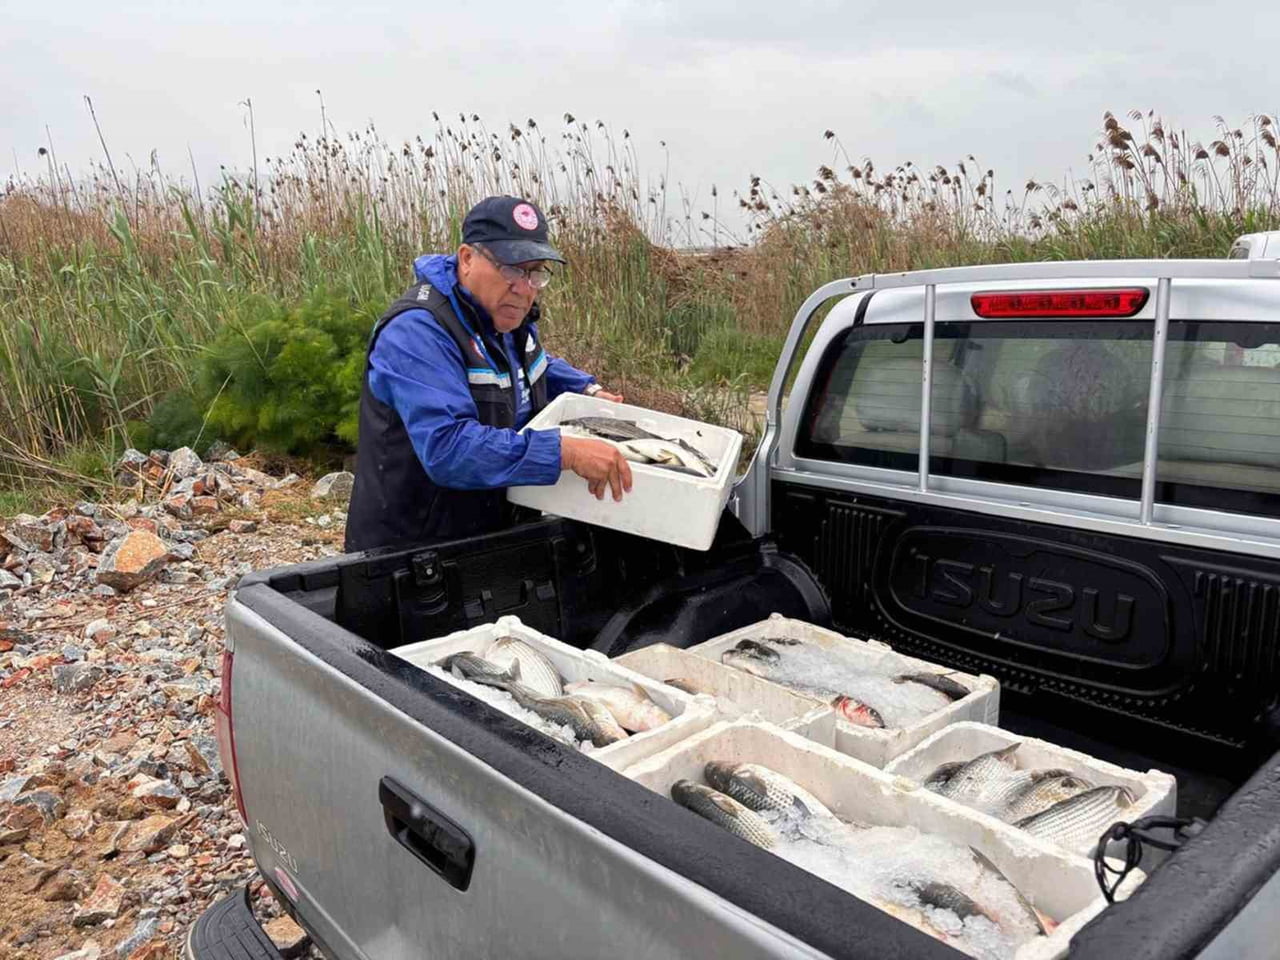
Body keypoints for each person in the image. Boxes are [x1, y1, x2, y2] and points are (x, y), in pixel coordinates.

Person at [345, 196, 633, 552]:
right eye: (511, 269)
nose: (525, 288)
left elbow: (531, 363)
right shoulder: (415, 332)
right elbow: (448, 449)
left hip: (490, 536)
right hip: (411, 553)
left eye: (536, 272)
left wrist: (586, 389)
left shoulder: (499, 313)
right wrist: (564, 452)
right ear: (467, 258)